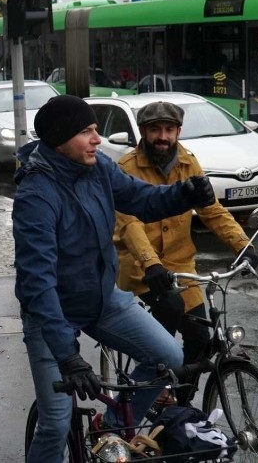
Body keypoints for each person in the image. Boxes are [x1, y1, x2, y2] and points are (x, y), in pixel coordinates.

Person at [12, 95, 216, 463]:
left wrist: (184, 194)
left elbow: (142, 199)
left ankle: (113, 429)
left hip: (102, 299)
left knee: (168, 355)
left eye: (95, 130)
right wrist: (68, 357)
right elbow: (37, 282)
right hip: (51, 315)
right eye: (86, 131)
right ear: (60, 139)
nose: (96, 139)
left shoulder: (98, 168)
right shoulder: (35, 194)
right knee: (56, 422)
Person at [113, 101, 258, 387]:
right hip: (142, 270)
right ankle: (153, 385)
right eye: (155, 130)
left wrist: (243, 245)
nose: (163, 137)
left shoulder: (188, 162)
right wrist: (151, 263)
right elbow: (129, 223)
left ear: (178, 131)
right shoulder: (126, 167)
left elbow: (211, 209)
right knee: (168, 310)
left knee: (201, 340)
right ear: (143, 131)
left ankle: (180, 402)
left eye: (169, 129)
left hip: (181, 267)